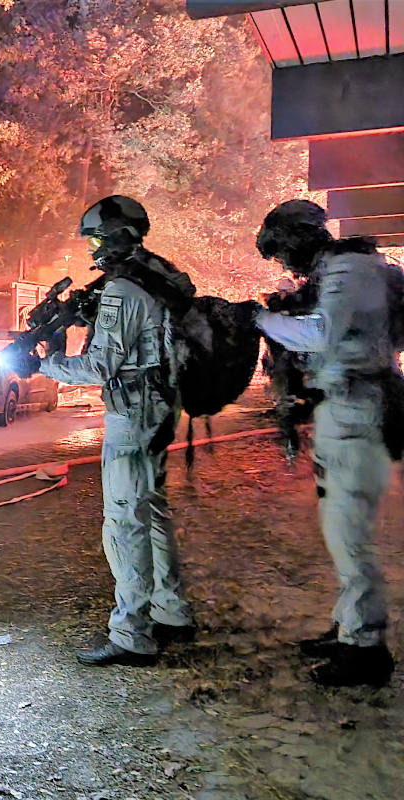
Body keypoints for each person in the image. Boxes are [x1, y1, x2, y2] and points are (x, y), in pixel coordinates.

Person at [32, 195, 197, 666]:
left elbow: (102, 363)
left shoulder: (124, 290)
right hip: (160, 405)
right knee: (154, 510)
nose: (93, 250)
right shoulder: (152, 277)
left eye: (98, 239)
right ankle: (171, 610)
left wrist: (49, 364)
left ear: (116, 237)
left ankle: (132, 635)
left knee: (124, 521)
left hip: (135, 411)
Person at [255, 199, 403, 687]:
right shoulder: (347, 269)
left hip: (358, 407)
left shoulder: (348, 272)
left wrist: (261, 319)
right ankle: (349, 627)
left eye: (282, 253)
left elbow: (321, 335)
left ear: (297, 238)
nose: (283, 265)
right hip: (345, 405)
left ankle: (365, 648)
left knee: (350, 530)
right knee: (340, 526)